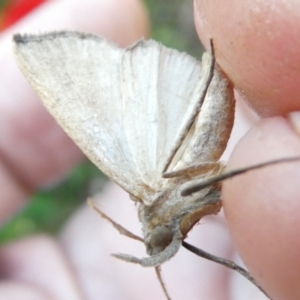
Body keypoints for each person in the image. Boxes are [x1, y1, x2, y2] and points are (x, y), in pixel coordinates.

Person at [0, 0, 299, 299]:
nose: (170, 240)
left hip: (191, 123)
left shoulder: (150, 188)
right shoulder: (171, 216)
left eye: (162, 238)